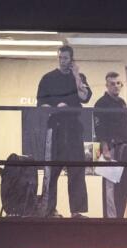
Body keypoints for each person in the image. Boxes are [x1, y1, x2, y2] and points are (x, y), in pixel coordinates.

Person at [36, 45, 91, 218]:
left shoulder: (79, 78)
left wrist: (76, 75)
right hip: (56, 127)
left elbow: (85, 97)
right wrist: (56, 108)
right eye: (60, 58)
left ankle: (77, 211)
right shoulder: (48, 79)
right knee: (52, 170)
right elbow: (41, 105)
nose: (63, 61)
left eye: (66, 58)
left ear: (72, 59)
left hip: (74, 128)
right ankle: (49, 209)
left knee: (77, 170)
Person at [93, 71, 127, 218]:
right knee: (111, 187)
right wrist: (105, 149)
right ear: (107, 85)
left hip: (124, 149)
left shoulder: (122, 103)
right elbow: (99, 129)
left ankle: (120, 218)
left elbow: (124, 124)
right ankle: (111, 220)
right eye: (112, 84)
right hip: (111, 149)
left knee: (125, 187)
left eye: (118, 83)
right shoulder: (101, 104)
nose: (116, 86)